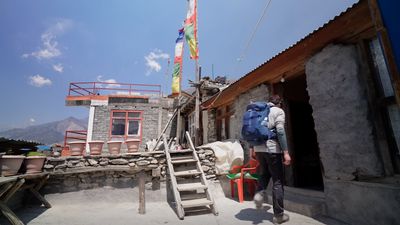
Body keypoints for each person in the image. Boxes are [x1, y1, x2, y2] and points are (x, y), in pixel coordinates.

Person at [251, 94, 291, 224]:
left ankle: (259, 193)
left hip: (258, 150)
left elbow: (253, 130)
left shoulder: (259, 112)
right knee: (278, 182)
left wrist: (252, 149)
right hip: (273, 150)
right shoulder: (278, 111)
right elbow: (280, 131)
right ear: (279, 103)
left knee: (264, 174)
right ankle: (279, 216)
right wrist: (285, 152)